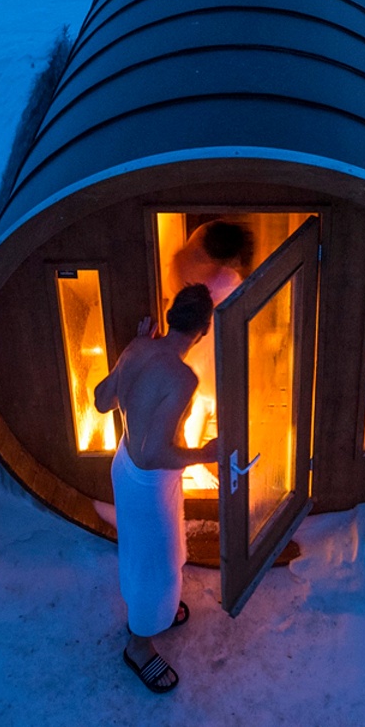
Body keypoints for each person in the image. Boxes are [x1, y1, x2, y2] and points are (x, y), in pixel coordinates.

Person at [93, 284, 220, 694]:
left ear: (169, 316)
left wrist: (129, 356)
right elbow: (154, 454)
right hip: (147, 480)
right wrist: (205, 454)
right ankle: (139, 644)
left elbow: (100, 401)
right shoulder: (182, 379)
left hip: (125, 467)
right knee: (155, 565)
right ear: (203, 330)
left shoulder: (137, 348)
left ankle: (158, 610)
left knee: (151, 550)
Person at [171, 222, 250, 457]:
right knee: (202, 393)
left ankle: (196, 450)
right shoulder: (225, 279)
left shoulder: (193, 249)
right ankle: (197, 453)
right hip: (205, 332)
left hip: (196, 328)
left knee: (201, 395)